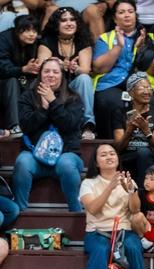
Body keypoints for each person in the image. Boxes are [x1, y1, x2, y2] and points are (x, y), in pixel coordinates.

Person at [79, 144, 147, 269]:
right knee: (100, 249)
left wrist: (131, 191)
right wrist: (110, 187)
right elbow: (93, 209)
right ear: (96, 162)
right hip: (97, 231)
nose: (109, 157)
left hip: (124, 230)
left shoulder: (128, 181)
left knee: (133, 247)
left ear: (118, 158)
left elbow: (135, 209)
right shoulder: (88, 183)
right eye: (103, 155)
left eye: (112, 153)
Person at [13, 57, 84, 212]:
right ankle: (20, 212)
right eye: (46, 71)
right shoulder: (27, 96)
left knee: (66, 165)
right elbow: (26, 126)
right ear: (40, 74)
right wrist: (42, 110)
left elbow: (70, 124)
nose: (50, 75)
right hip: (35, 154)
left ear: (62, 75)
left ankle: (76, 211)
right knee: (22, 162)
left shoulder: (74, 97)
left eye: (55, 72)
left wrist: (53, 102)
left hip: (66, 154)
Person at [92, 0, 154, 139]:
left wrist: (142, 48)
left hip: (140, 83)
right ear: (114, 18)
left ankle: (140, 143)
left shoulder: (148, 38)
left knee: (147, 100)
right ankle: (110, 143)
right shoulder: (106, 38)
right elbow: (98, 67)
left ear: (136, 15)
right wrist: (118, 47)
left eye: (130, 11)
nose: (127, 15)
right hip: (111, 83)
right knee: (109, 101)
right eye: (121, 12)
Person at [37, 6, 96, 139]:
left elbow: (85, 69)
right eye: (64, 20)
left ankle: (88, 125)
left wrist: (75, 68)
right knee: (48, 74)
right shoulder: (47, 41)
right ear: (56, 24)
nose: (69, 23)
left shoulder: (82, 41)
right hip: (53, 87)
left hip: (73, 86)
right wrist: (60, 65)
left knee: (85, 79)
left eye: (72, 20)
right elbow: (42, 65)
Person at [112, 71, 154, 187]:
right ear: (131, 92)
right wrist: (129, 130)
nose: (147, 91)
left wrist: (146, 131)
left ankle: (143, 191)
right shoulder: (121, 113)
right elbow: (119, 147)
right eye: (142, 88)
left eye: (149, 88)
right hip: (127, 157)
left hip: (149, 157)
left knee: (144, 153)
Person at [0, 14, 39, 138]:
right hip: (4, 80)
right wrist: (23, 69)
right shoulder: (4, 39)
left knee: (38, 81)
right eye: (27, 30)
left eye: (34, 30)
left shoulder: (36, 42)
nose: (32, 34)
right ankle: (15, 126)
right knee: (12, 81)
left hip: (24, 78)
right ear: (17, 30)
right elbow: (2, 68)